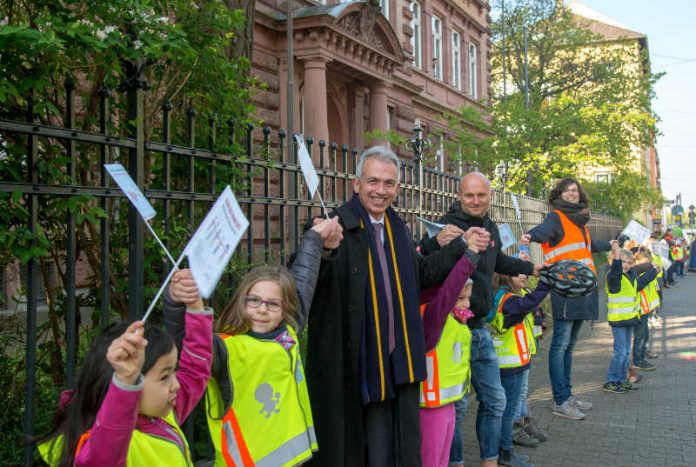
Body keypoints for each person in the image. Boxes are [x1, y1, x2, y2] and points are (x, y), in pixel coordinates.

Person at [305, 146, 482, 467]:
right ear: (356, 184)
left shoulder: (396, 228)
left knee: (389, 452)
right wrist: (319, 246)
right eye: (373, 181)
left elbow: (420, 275)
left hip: (395, 367)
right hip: (355, 370)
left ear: (397, 188)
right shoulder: (336, 227)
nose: (380, 190)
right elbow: (307, 281)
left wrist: (460, 246)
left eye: (389, 183)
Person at [164, 217, 342, 466]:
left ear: (285, 310)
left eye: (273, 304)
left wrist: (314, 240)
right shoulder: (224, 348)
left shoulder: (286, 333)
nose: (262, 310)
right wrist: (175, 301)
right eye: (254, 300)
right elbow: (187, 347)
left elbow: (303, 282)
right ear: (241, 300)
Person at [419, 172, 545, 467]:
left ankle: (490, 461)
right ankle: (455, 462)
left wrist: (531, 267)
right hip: (450, 332)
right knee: (457, 408)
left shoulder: (489, 226)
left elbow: (498, 260)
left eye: (481, 195)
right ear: (459, 196)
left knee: (495, 400)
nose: (475, 201)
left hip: (481, 329)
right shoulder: (445, 228)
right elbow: (425, 269)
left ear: (490, 196)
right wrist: (452, 243)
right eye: (469, 195)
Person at [38, 270, 212, 465]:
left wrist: (195, 306)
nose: (177, 385)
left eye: (173, 372)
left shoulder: (162, 412)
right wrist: (125, 384)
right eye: (164, 376)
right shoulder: (109, 442)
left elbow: (194, 371)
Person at [519, 178, 611, 420]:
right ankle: (560, 400)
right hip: (565, 289)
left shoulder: (580, 221)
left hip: (581, 290)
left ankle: (567, 395)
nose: (572, 194)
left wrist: (611, 244)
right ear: (559, 194)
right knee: (560, 345)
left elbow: (587, 247)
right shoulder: (556, 217)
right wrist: (530, 235)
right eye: (567, 191)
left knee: (569, 345)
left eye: (575, 191)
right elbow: (543, 231)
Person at [419, 235, 479, 467]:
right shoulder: (434, 317)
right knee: (431, 462)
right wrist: (468, 257)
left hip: (448, 403)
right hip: (430, 406)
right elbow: (446, 293)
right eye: (460, 298)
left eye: (468, 299)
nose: (465, 304)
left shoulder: (457, 321)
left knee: (442, 460)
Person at [490, 272, 551, 467]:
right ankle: (505, 453)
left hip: (513, 362)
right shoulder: (508, 300)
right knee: (508, 412)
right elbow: (527, 304)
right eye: (518, 274)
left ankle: (504, 451)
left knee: (507, 410)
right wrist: (544, 285)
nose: (524, 277)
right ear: (507, 278)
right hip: (510, 364)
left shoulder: (504, 297)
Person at [603, 243, 657, 393]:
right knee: (620, 352)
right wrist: (617, 252)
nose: (625, 265)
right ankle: (611, 381)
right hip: (619, 320)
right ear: (614, 261)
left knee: (626, 352)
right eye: (622, 262)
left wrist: (653, 272)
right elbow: (616, 271)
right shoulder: (614, 277)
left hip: (630, 319)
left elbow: (640, 284)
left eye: (628, 262)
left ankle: (622, 380)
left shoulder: (630, 276)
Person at [632, 249, 660, 371]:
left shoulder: (646, 272)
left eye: (649, 262)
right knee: (639, 336)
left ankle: (642, 355)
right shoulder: (638, 273)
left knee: (644, 335)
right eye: (645, 262)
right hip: (639, 310)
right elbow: (640, 285)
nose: (648, 265)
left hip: (645, 309)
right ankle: (638, 360)